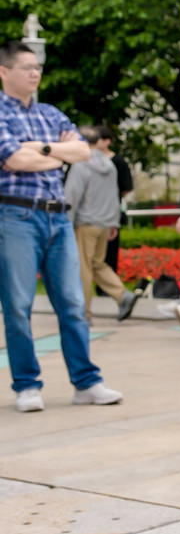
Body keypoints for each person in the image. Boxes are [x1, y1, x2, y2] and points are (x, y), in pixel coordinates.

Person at [0, 41, 123, 411]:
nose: (35, 72)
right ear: (5, 71)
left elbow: (84, 152)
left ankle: (86, 382)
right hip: (17, 215)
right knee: (18, 305)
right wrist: (54, 152)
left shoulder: (50, 113)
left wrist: (41, 148)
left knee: (72, 302)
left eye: (37, 66)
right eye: (26, 67)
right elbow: (14, 161)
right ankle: (26, 385)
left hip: (59, 217)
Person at [65, 125, 138, 322]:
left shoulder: (80, 165)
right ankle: (123, 295)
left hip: (85, 223)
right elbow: (115, 197)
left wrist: (65, 223)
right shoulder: (109, 165)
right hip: (104, 224)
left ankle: (84, 314)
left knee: (83, 268)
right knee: (98, 263)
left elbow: (72, 196)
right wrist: (113, 223)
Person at [103, 132, 135, 280]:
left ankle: (108, 288)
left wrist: (112, 199)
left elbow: (126, 187)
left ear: (107, 141)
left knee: (110, 252)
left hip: (111, 211)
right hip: (91, 214)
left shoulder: (118, 162)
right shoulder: (88, 160)